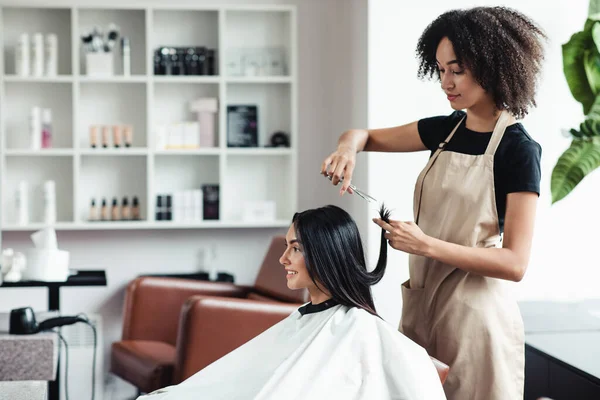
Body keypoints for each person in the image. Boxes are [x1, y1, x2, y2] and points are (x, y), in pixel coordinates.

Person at [321, 6, 545, 400]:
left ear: (492, 66)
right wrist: (346, 151)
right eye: (440, 69)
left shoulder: (518, 150)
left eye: (456, 69)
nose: (446, 81)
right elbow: (360, 134)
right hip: (422, 307)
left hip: (476, 319)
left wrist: (424, 244)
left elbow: (515, 264)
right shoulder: (444, 130)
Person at [137, 205, 446, 400]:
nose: (283, 258)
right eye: (287, 247)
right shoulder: (306, 317)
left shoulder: (358, 328)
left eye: (295, 249)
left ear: (325, 253)